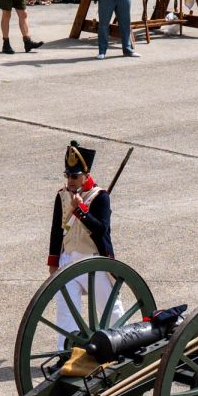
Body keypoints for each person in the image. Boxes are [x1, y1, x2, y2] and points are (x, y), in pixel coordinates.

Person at [47, 141, 122, 347]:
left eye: (75, 176)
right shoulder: (62, 195)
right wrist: (53, 262)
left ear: (86, 176)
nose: (70, 181)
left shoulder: (100, 197)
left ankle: (122, 347)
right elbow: (56, 231)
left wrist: (80, 209)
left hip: (94, 260)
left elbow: (101, 229)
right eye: (68, 175)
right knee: (66, 312)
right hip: (68, 260)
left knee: (110, 310)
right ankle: (66, 352)